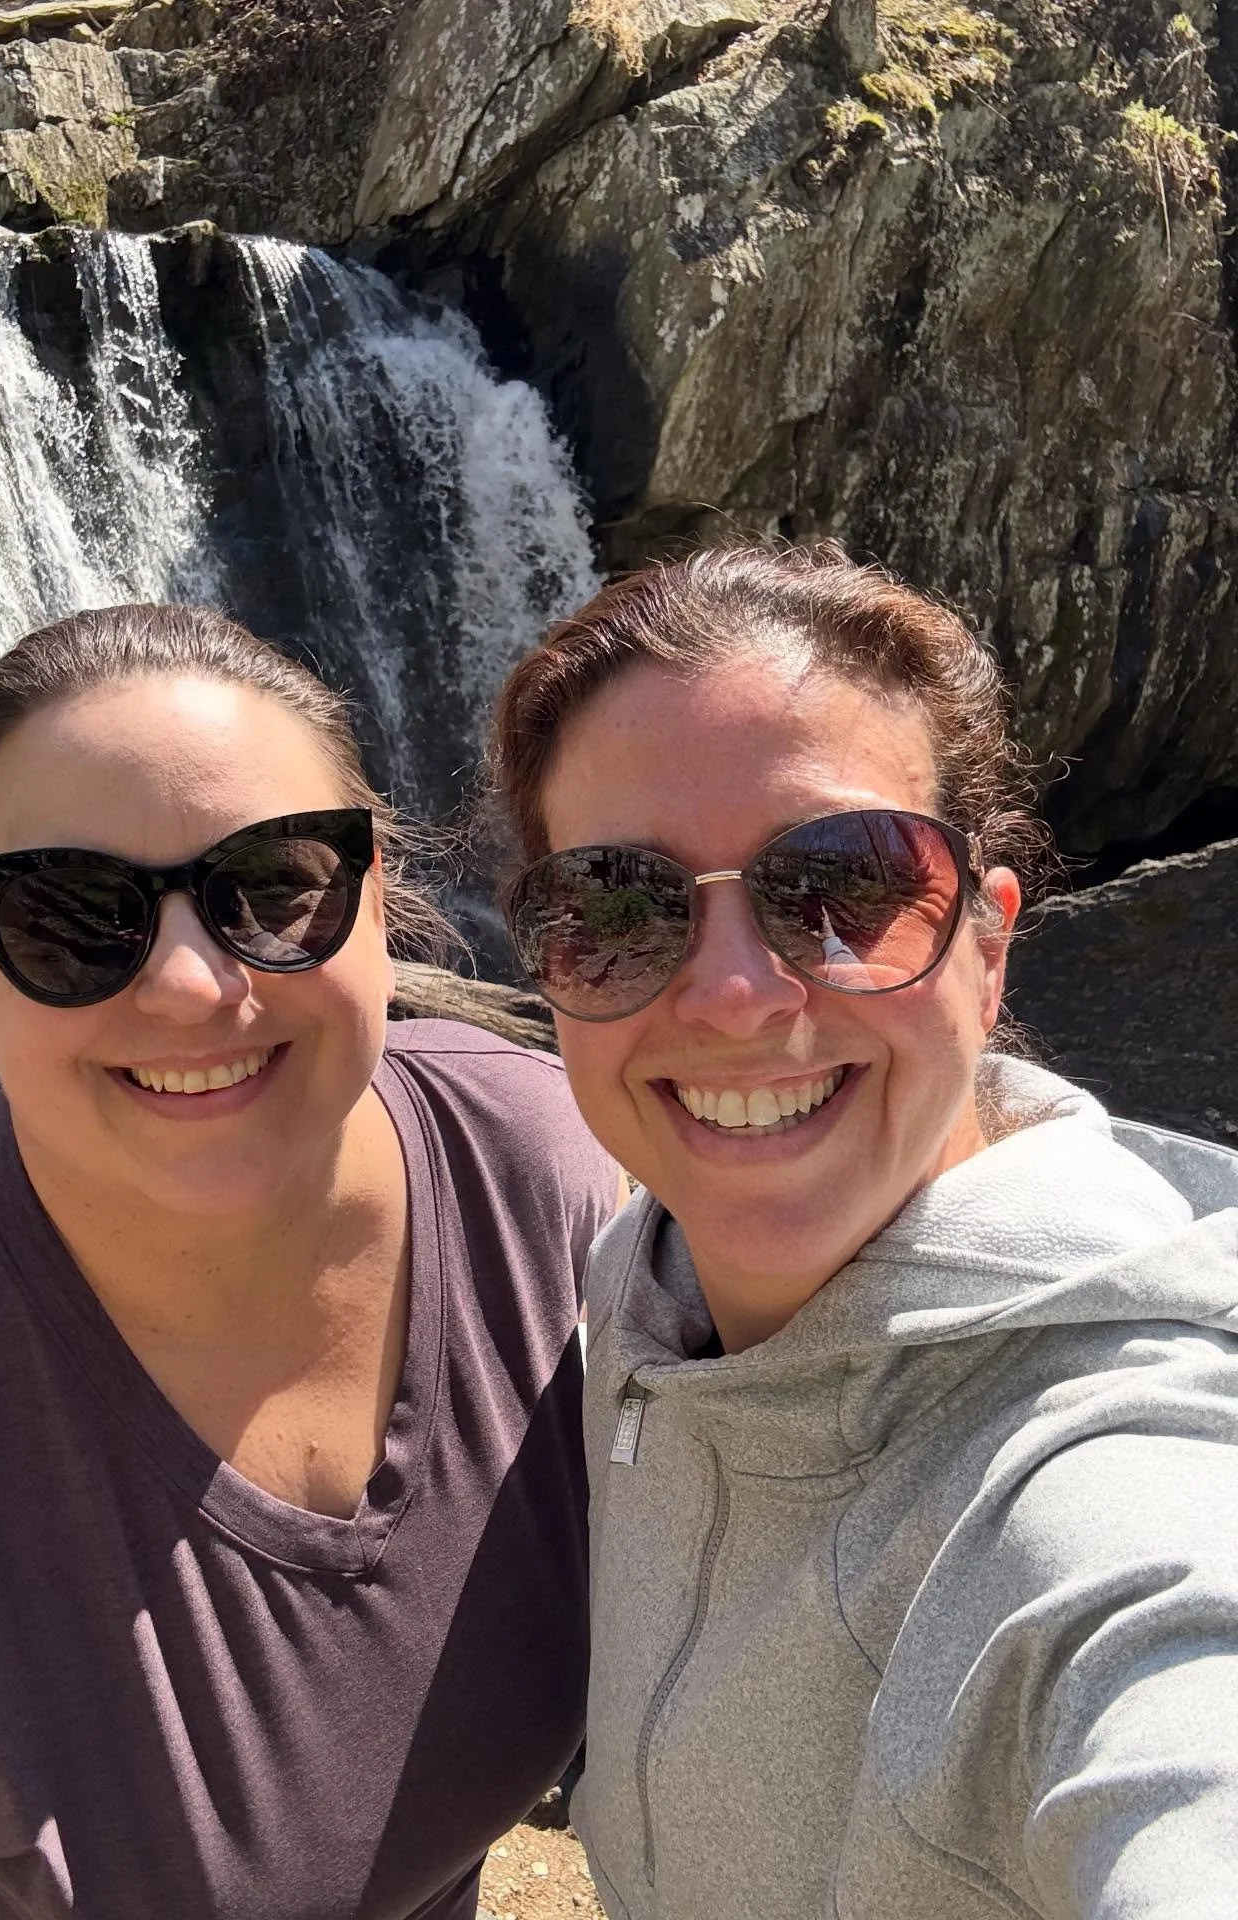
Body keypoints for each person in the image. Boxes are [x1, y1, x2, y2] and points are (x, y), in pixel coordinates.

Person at [0, 604, 618, 1920]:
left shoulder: (551, 1176)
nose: (189, 985)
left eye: (273, 885)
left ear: (373, 895)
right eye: (71, 917)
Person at [485, 544, 1238, 1919]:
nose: (727, 996)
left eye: (839, 883)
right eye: (616, 905)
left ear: (990, 941)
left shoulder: (1109, 1476)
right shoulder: (640, 1288)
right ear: (547, 967)